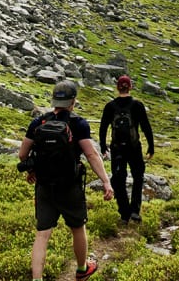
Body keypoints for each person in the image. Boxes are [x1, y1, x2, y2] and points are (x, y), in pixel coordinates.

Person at [18, 80, 114, 281]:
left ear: (54, 100)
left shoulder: (38, 123)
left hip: (44, 185)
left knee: (42, 235)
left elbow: (22, 154)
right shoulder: (78, 124)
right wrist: (105, 181)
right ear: (73, 101)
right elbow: (92, 155)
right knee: (77, 228)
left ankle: (37, 279)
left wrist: (33, 169)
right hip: (70, 186)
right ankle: (82, 269)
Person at [99, 75, 154, 223]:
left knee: (118, 179)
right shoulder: (137, 105)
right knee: (138, 177)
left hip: (117, 148)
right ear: (130, 87)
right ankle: (135, 211)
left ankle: (124, 213)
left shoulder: (110, 106)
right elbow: (146, 127)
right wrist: (151, 146)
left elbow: (103, 128)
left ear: (117, 87)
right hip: (134, 148)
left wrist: (103, 147)